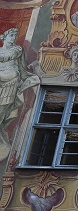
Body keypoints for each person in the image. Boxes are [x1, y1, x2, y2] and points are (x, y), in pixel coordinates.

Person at [0, 27, 40, 161]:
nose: (13, 38)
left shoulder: (16, 50)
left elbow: (6, 57)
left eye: (15, 36)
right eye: (11, 36)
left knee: (2, 113)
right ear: (4, 37)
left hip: (9, 83)